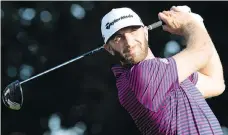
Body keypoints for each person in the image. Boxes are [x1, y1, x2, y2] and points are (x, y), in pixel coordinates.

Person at [100, 5, 225, 135]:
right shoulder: (141, 74)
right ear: (109, 48)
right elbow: (202, 51)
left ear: (145, 32)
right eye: (117, 38)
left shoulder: (166, 72)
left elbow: (215, 83)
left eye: (133, 31)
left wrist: (198, 25)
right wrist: (190, 22)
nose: (129, 42)